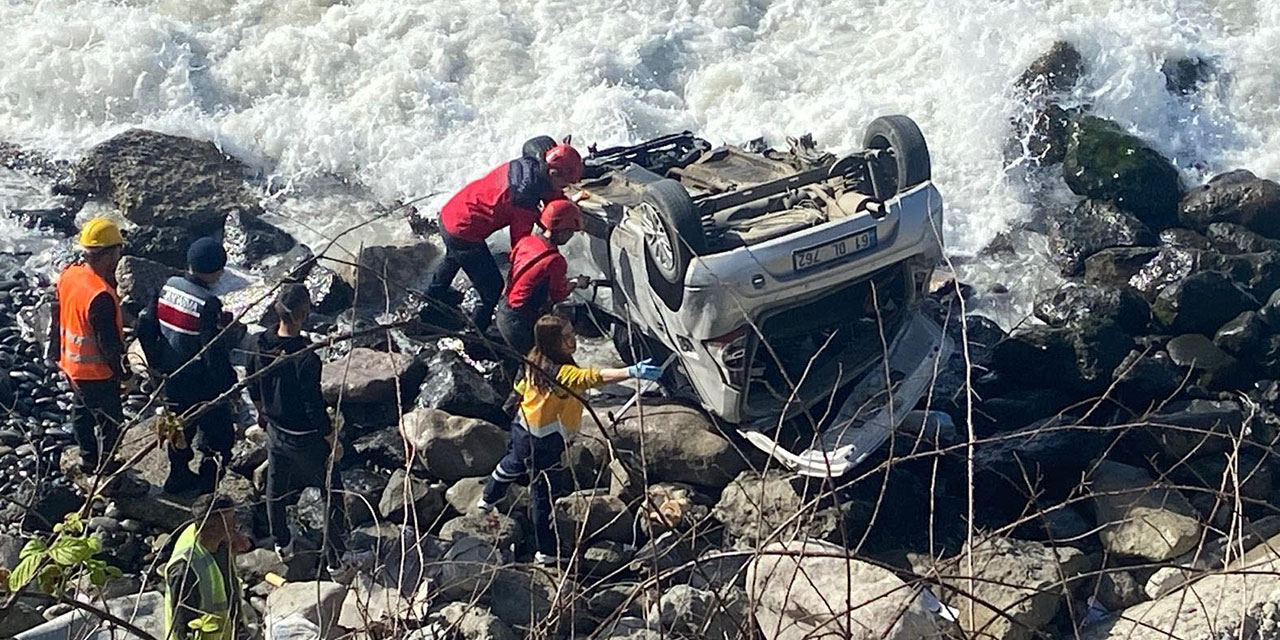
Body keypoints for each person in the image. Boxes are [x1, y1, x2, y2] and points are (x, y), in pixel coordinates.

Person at [479, 315, 661, 565]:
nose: (572, 339)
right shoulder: (562, 373)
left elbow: (520, 387)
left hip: (522, 426)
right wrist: (630, 371)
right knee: (543, 495)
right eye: (565, 337)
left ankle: (488, 498)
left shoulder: (533, 357)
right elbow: (592, 377)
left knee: (512, 463)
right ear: (553, 342)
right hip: (546, 442)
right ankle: (546, 551)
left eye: (571, 333)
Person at [424, 142, 585, 332]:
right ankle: (475, 335)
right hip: (464, 231)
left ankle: (431, 299)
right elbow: (522, 246)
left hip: (451, 213)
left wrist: (567, 208)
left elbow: (551, 192)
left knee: (453, 257)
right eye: (565, 184)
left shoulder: (529, 165)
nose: (565, 188)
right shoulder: (523, 199)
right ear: (553, 173)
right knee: (492, 289)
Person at [247, 283, 347, 570]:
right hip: (306, 438)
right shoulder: (306, 358)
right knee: (332, 492)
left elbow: (252, 384)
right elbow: (312, 406)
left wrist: (262, 414)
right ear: (304, 314)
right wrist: (331, 437)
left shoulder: (258, 344)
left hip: (276, 431)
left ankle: (282, 542)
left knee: (275, 487)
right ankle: (336, 560)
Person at [152, 237, 238, 494]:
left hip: (170, 375)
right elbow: (212, 351)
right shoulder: (207, 303)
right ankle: (208, 483)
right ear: (215, 270)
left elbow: (149, 324)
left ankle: (177, 476)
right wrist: (228, 384)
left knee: (179, 430)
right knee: (219, 435)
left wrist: (156, 363)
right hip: (199, 381)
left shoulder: (167, 286)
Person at [48, 218, 128, 474]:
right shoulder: (100, 295)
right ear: (107, 254)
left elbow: (58, 314)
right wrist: (124, 374)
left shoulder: (70, 275)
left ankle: (88, 458)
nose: (119, 256)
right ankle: (108, 473)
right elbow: (108, 345)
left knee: (82, 411)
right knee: (111, 423)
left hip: (71, 363)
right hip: (96, 373)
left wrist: (53, 352)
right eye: (117, 250)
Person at [497, 199, 590, 357]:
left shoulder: (526, 241)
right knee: (542, 367)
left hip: (504, 311)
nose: (570, 236)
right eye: (570, 232)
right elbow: (558, 294)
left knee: (527, 364)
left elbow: (513, 260)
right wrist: (576, 282)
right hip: (522, 324)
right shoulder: (555, 260)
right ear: (562, 231)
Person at [164, 494, 248, 640]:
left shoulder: (217, 541)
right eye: (230, 520)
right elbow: (184, 626)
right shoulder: (185, 569)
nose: (236, 524)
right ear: (213, 526)